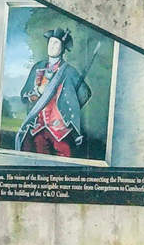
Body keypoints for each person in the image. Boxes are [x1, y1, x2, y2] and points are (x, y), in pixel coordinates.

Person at [15, 28, 92, 158]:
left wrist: (68, 107)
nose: (52, 46)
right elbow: (24, 96)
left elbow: (85, 93)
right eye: (50, 42)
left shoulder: (69, 71)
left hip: (60, 130)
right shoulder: (38, 67)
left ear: (63, 48)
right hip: (37, 127)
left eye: (56, 43)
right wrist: (37, 92)